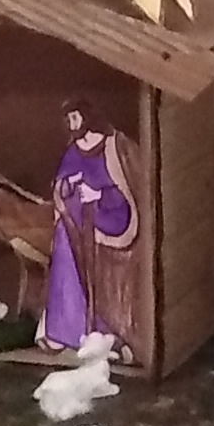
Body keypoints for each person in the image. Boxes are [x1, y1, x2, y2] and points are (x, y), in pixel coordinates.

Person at [43, 110, 135, 351]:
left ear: (88, 117)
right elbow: (60, 187)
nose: (72, 123)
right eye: (69, 119)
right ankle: (64, 330)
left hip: (109, 216)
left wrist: (99, 194)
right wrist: (68, 184)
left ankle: (96, 327)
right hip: (78, 217)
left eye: (75, 117)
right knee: (63, 236)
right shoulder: (73, 151)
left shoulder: (112, 147)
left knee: (72, 238)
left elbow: (127, 190)